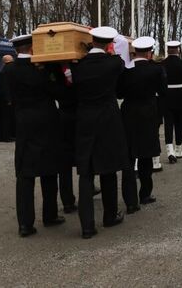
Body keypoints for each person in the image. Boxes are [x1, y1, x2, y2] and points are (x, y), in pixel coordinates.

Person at [70, 26, 129, 238]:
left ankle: (87, 226)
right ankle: (109, 216)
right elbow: (121, 77)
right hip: (108, 120)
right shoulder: (114, 63)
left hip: (85, 118)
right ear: (109, 44)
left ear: (92, 41)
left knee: (86, 172)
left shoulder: (77, 65)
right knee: (108, 168)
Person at [7, 35, 65, 237]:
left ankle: (25, 223)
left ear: (17, 50)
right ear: (33, 48)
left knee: (25, 173)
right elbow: (59, 91)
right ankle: (50, 215)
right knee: (50, 169)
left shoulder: (9, 70)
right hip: (47, 121)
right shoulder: (45, 68)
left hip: (24, 123)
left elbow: (8, 96)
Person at [118, 36, 165, 213]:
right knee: (146, 156)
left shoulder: (125, 70)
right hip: (148, 114)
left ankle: (130, 201)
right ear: (149, 53)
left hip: (128, 114)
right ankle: (145, 193)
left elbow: (119, 93)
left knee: (129, 158)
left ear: (135, 52)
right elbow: (163, 91)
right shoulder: (156, 70)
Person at [160, 40, 182, 163]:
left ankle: (170, 151)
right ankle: (178, 149)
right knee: (179, 123)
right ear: (178, 50)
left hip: (167, 97)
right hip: (180, 97)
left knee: (168, 124)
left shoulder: (162, 64)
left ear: (168, 50)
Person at [57, 65, 77, 214]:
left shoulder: (54, 69)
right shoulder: (80, 68)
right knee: (85, 158)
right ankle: (87, 189)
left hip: (63, 116)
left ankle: (68, 201)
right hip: (80, 115)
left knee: (64, 163)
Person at [0, 54, 15, 142]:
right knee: (9, 118)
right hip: (9, 97)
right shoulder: (12, 70)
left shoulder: (3, 71)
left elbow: (4, 86)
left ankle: (2, 135)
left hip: (5, 98)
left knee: (3, 117)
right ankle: (7, 136)